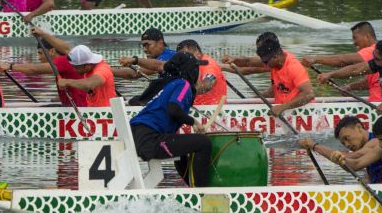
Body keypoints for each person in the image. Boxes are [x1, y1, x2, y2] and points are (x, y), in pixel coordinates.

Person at [127, 52, 212, 186]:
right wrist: (193, 122)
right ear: (191, 70)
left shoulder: (170, 83)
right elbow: (173, 110)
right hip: (149, 141)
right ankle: (202, 192)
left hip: (137, 136)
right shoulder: (183, 84)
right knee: (204, 143)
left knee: (184, 147)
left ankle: (191, 187)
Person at [0, 28, 115, 107]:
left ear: (53, 51)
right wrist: (43, 33)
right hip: (75, 105)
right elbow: (67, 48)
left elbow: (35, 69)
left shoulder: (64, 62)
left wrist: (10, 66)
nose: (38, 57)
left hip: (83, 108)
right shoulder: (74, 58)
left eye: (40, 53)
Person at [314, 37, 382, 113]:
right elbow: (355, 69)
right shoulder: (380, 63)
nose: (373, 59)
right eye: (374, 55)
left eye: (376, 58)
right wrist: (332, 75)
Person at [222, 34, 315, 116]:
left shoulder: (294, 67)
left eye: (266, 62)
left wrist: (282, 107)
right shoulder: (274, 60)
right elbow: (248, 62)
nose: (264, 65)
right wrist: (233, 59)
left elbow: (309, 94)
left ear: (275, 57)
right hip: (282, 111)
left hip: (303, 113)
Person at [303, 21, 380, 103]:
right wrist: (350, 87)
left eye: (355, 38)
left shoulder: (374, 51)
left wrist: (316, 59)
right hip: (377, 103)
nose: (354, 42)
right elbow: (371, 82)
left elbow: (344, 60)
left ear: (367, 36)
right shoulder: (379, 54)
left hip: (380, 105)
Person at [299, 115, 382, 182]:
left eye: (347, 138)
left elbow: (351, 158)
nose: (347, 145)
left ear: (358, 127)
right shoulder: (366, 147)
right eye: (343, 143)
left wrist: (314, 146)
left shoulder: (377, 141)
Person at [175, 39, 228, 106]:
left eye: (186, 55)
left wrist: (181, 95)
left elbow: (206, 86)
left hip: (211, 110)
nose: (183, 60)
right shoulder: (191, 65)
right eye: (180, 57)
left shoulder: (208, 65)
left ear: (197, 52)